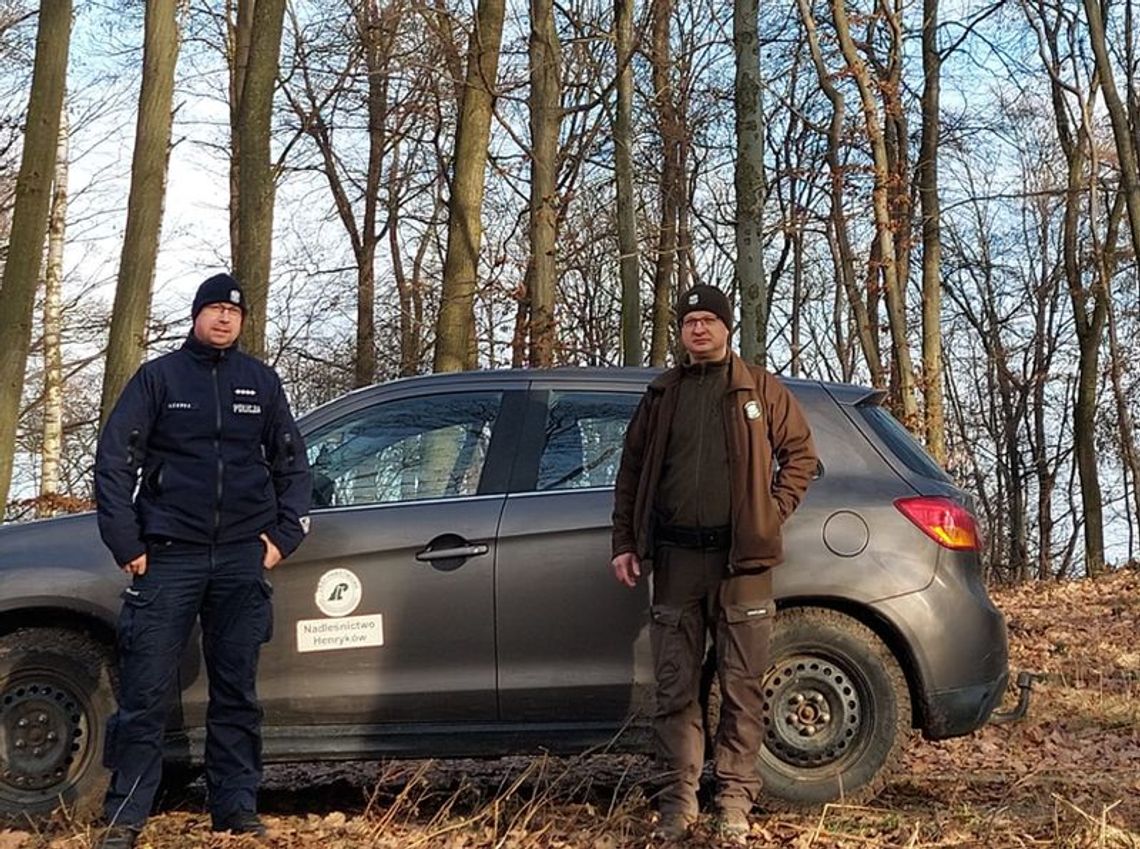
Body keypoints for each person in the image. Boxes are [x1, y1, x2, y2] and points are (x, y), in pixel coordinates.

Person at [94, 273, 312, 849]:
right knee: (145, 692)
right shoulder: (158, 378)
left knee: (237, 691)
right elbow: (115, 462)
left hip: (243, 557)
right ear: (196, 316)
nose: (223, 319)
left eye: (233, 313)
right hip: (168, 556)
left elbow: (293, 467)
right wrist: (128, 544)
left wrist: (282, 539)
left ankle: (235, 806)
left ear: (243, 323)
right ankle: (124, 816)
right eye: (213, 309)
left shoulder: (260, 383)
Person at [610, 284, 817, 842]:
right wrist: (625, 542)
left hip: (742, 565)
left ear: (727, 328)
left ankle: (733, 802)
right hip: (676, 559)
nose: (698, 329)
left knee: (742, 685)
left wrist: (769, 516)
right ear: (680, 332)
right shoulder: (662, 395)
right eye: (689, 321)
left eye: (708, 320)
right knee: (675, 687)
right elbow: (629, 475)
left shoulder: (759, 388)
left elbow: (801, 455)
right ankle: (678, 801)